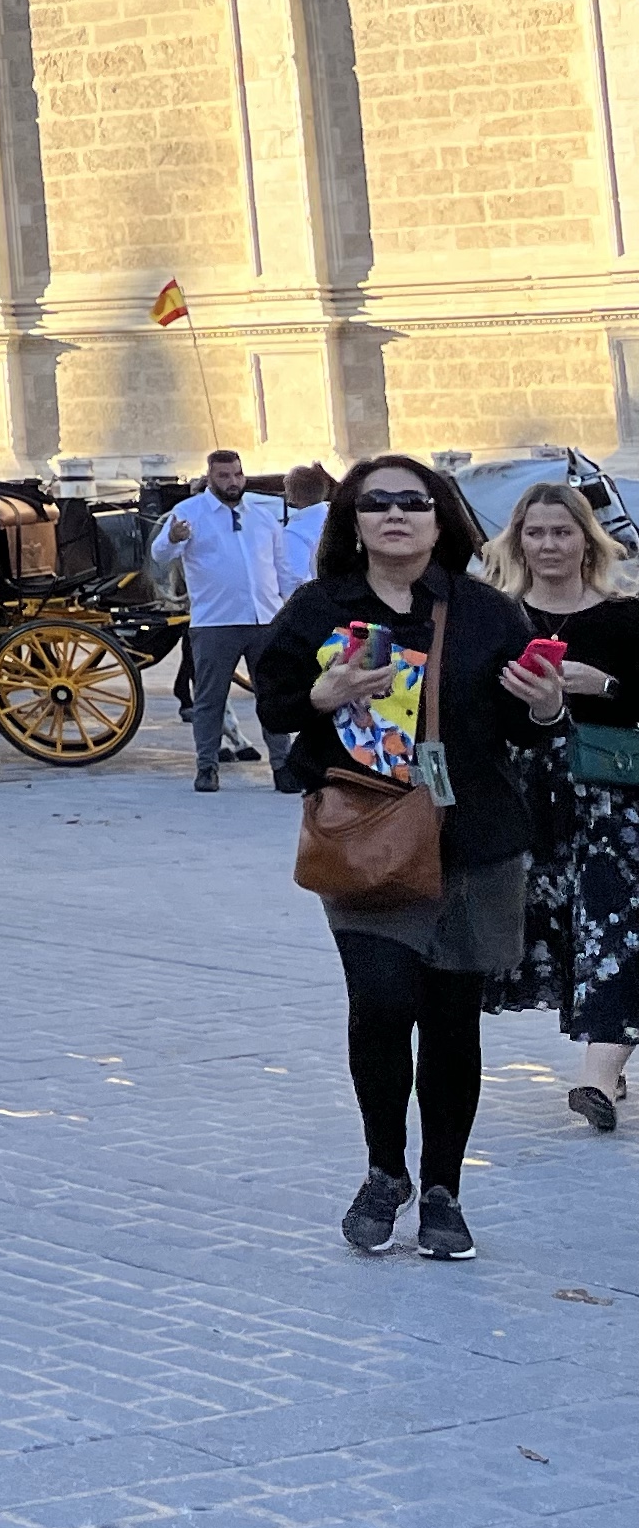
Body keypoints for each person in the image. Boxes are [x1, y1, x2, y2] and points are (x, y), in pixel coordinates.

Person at [252, 452, 562, 1260]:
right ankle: (384, 1170)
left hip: (473, 838)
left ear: (439, 518)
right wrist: (319, 696)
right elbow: (275, 699)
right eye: (377, 502)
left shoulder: (486, 610)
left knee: (453, 1022)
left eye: (413, 502)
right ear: (352, 521)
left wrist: (547, 707)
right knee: (383, 1005)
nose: (395, 514)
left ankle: (443, 1190)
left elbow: (528, 727)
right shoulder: (321, 607)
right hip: (368, 836)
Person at [476, 481, 639, 1133]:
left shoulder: (626, 617)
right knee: (562, 931)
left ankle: (596, 1078)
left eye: (562, 532)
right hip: (526, 802)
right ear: (518, 542)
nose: (549, 545)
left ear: (586, 541)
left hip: (613, 802)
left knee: (618, 925)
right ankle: (610, 1063)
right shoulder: (498, 619)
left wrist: (606, 685)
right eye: (536, 532)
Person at [155, 449, 292, 791]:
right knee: (209, 699)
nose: (233, 482)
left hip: (265, 619)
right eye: (224, 476)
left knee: (272, 696)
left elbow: (282, 570)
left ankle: (283, 766)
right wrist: (173, 539)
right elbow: (160, 554)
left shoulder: (262, 517)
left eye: (237, 474)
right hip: (216, 622)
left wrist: (293, 607)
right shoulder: (189, 513)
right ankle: (207, 766)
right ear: (210, 477)